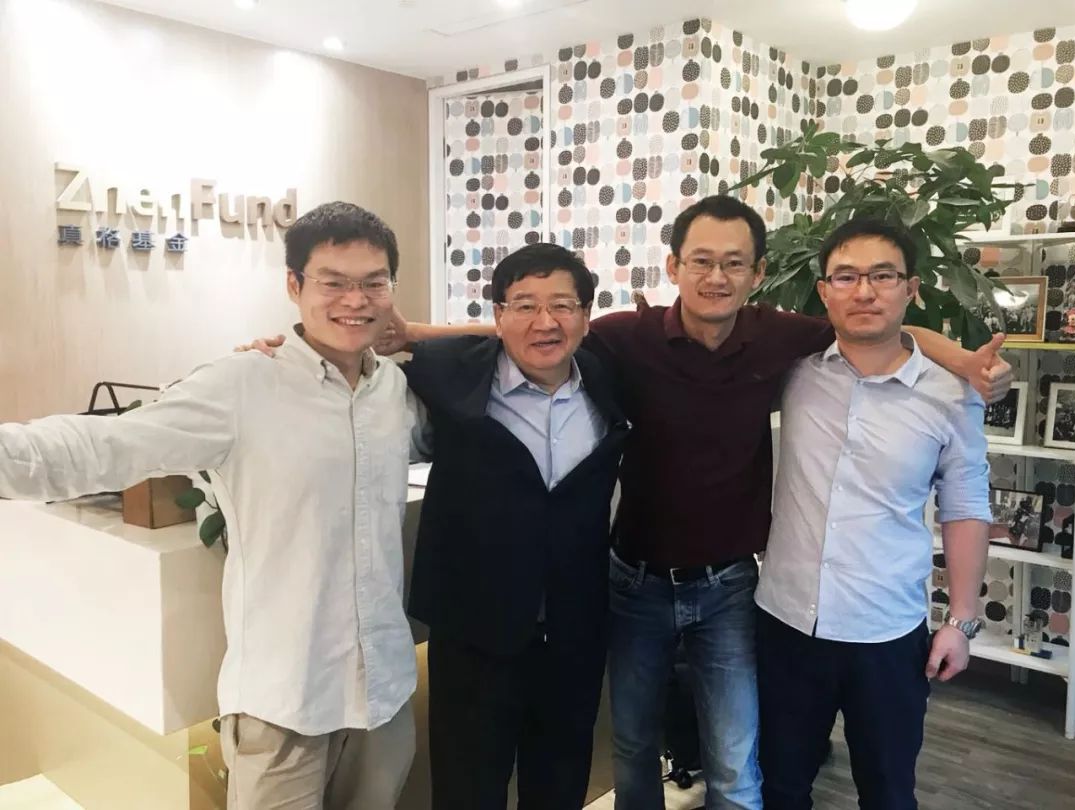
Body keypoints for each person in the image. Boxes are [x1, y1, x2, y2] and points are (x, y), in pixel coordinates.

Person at [378, 194, 1013, 810]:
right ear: (673, 266)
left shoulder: (781, 340)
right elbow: (537, 327)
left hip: (730, 587)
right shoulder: (628, 338)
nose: (717, 276)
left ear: (758, 274)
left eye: (734, 263)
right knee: (632, 750)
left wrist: (963, 362)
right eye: (701, 261)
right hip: (634, 582)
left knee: (736, 761)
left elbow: (883, 327)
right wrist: (413, 333)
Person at [0, 202, 418, 810]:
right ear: (294, 285)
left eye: (373, 282)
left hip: (384, 698)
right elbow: (108, 445)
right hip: (285, 703)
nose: (355, 300)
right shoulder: (243, 384)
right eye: (333, 282)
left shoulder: (395, 391)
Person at [244, 242, 629, 810]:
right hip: (474, 634)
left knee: (561, 784)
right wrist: (276, 363)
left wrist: (418, 329)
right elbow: (349, 379)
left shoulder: (610, 376)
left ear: (587, 315)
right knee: (466, 790)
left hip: (574, 633)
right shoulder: (450, 374)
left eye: (563, 305)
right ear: (498, 315)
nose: (545, 322)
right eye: (524, 305)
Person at [754, 218, 991, 810]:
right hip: (787, 622)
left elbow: (966, 505)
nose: (864, 291)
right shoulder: (795, 373)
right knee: (780, 788)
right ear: (824, 290)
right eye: (846, 277)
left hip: (887, 632)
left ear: (911, 289)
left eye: (883, 276)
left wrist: (961, 621)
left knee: (887, 792)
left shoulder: (952, 395)